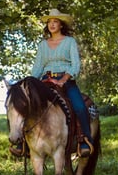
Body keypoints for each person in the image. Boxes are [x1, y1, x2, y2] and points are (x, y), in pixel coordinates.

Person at [9, 9, 94, 157]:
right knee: (24, 104)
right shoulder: (43, 45)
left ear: (61, 25)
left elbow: (75, 65)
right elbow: (37, 68)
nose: (52, 24)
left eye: (55, 22)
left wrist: (63, 79)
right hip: (44, 81)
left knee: (80, 106)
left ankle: (84, 140)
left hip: (66, 80)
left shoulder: (69, 42)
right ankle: (22, 143)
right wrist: (27, 84)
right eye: (49, 22)